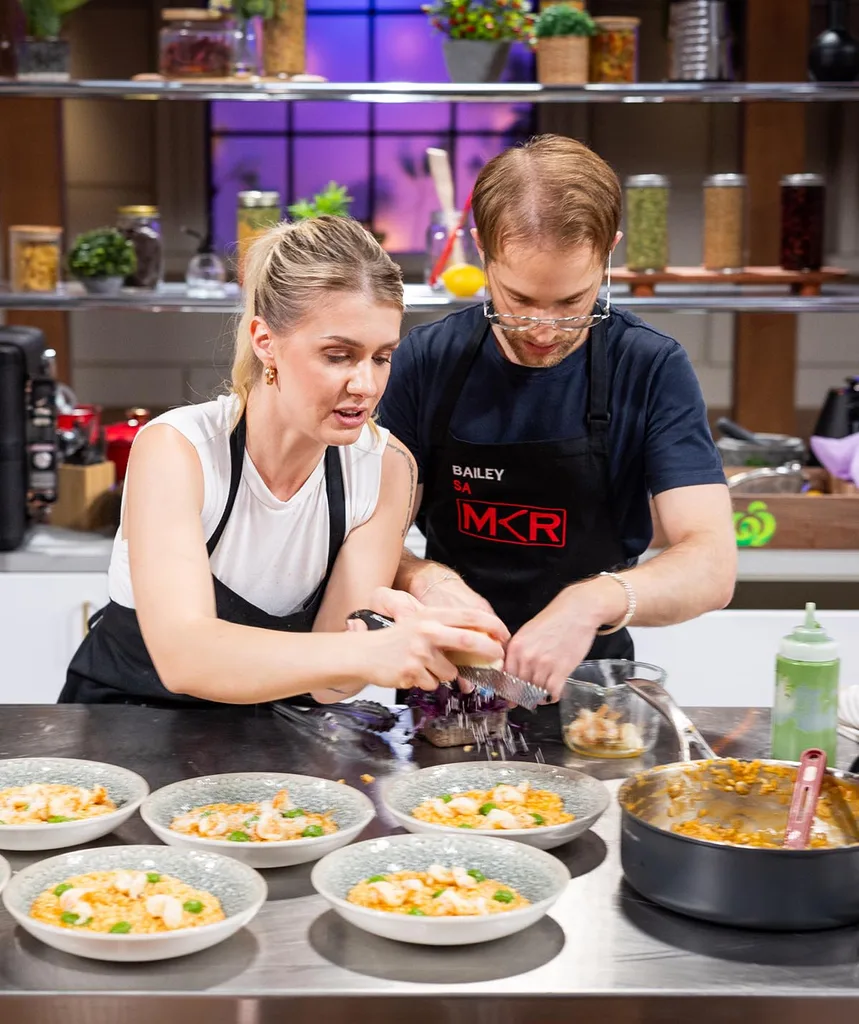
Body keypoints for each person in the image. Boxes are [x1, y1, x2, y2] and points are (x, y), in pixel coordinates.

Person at [60, 216, 506, 707]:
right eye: (338, 355)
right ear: (265, 340)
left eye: (381, 357)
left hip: (271, 740)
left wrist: (408, 644)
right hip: (126, 730)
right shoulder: (178, 449)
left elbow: (333, 684)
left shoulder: (385, 468)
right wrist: (372, 651)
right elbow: (185, 658)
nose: (367, 386)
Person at [379, 134, 737, 701]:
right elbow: (363, 539)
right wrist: (426, 578)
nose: (544, 330)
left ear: (609, 252)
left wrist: (591, 600)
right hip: (448, 695)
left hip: (593, 699)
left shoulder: (649, 365)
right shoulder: (426, 361)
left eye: (572, 304)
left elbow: (713, 564)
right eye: (518, 299)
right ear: (481, 250)